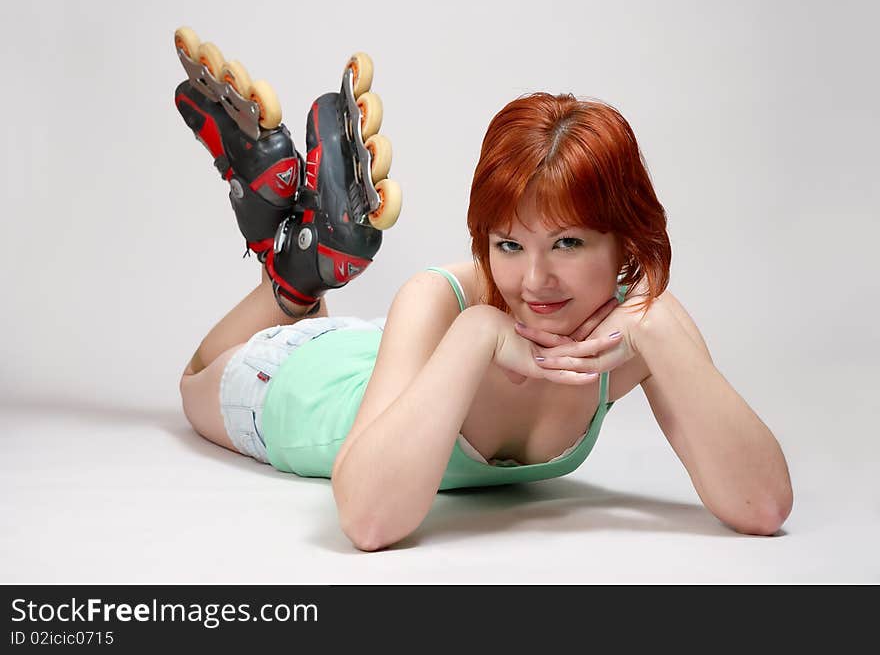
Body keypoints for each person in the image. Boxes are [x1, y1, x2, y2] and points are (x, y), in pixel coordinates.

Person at [174, 33, 793, 552]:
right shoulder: (442, 302)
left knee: (337, 340)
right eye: (509, 245)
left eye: (569, 244)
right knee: (195, 379)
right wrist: (475, 336)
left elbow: (762, 506)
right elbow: (366, 521)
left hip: (391, 361)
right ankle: (292, 284)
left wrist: (659, 333)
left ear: (625, 243)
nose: (533, 282)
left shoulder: (639, 331)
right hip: (299, 388)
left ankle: (298, 266)